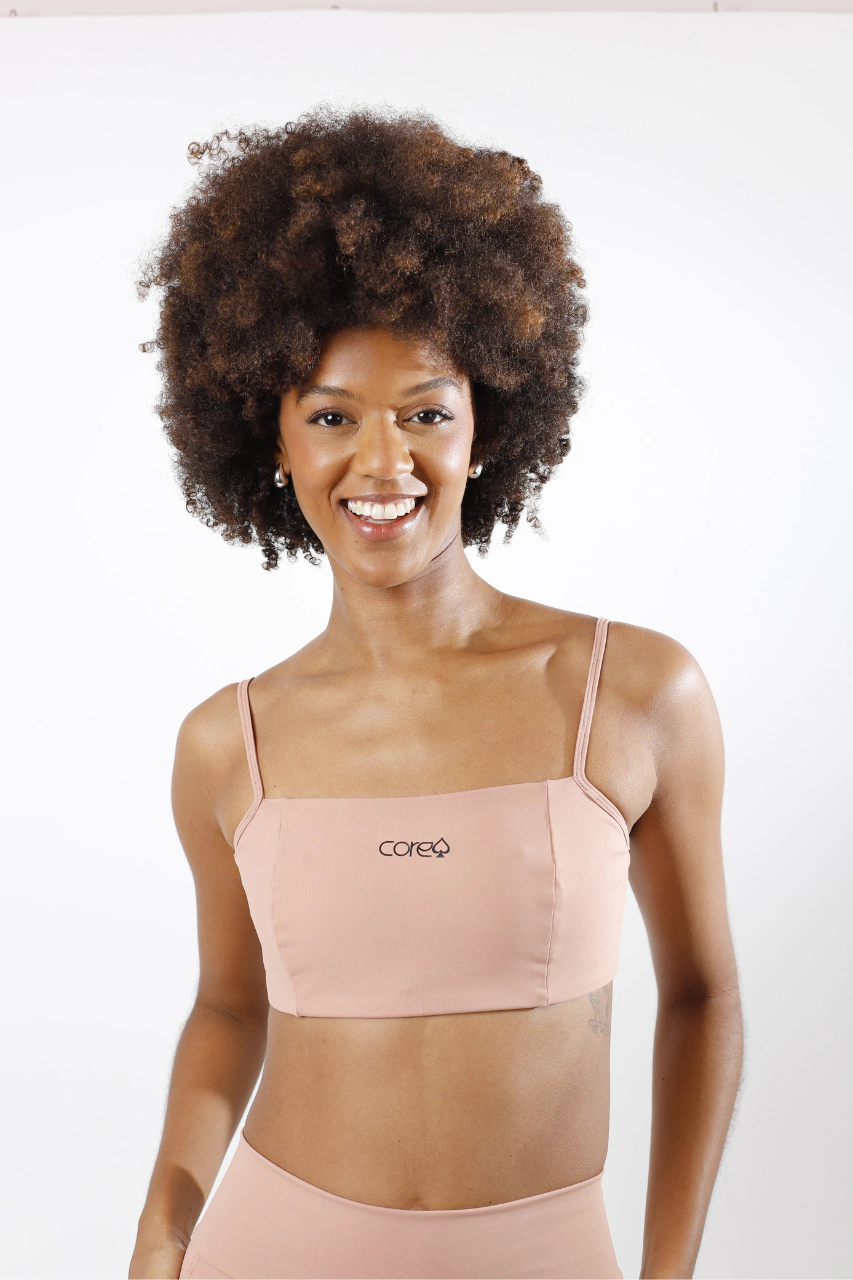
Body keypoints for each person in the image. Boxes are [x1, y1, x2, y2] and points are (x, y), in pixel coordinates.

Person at [129, 106, 744, 1280]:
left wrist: (668, 1273)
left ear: (485, 423)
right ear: (272, 440)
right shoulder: (225, 742)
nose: (382, 461)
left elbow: (702, 996)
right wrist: (163, 1227)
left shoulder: (634, 693)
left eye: (425, 411)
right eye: (331, 416)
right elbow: (228, 1007)